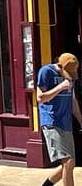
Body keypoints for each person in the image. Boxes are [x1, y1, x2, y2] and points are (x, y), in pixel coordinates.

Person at [38, 52, 82, 186]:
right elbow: (40, 98)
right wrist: (60, 87)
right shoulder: (46, 72)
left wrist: (81, 121)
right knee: (68, 162)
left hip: (66, 123)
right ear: (60, 66)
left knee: (69, 164)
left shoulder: (70, 77)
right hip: (51, 122)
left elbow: (73, 101)